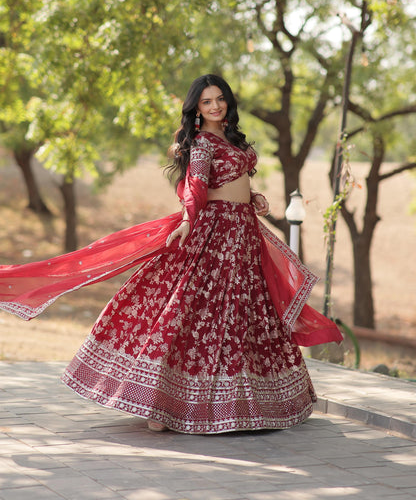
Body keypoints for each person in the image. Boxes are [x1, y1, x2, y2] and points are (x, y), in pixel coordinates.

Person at [0, 74, 342, 434]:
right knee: (194, 309)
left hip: (242, 234)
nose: (215, 106)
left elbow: (234, 180)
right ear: (196, 108)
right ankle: (160, 403)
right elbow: (196, 185)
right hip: (214, 232)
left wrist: (251, 197)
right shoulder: (202, 142)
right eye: (207, 102)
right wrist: (188, 219)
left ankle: (247, 403)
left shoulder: (233, 139)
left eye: (219, 99)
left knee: (245, 311)